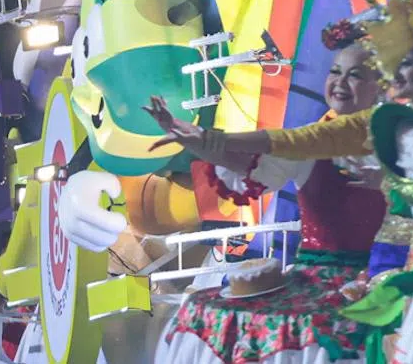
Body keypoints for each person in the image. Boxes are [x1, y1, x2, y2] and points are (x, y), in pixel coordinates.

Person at [153, 21, 389, 364]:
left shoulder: (402, 141)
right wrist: (201, 144)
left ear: (381, 87)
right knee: (206, 313)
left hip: (385, 277)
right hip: (315, 279)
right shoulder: (313, 141)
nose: (339, 82)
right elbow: (254, 161)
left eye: (355, 75)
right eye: (335, 71)